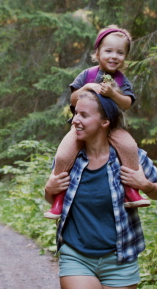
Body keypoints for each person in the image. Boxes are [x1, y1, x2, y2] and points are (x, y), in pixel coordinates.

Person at [44, 90, 157, 288]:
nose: (75, 120)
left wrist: (146, 185)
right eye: (75, 114)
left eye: (84, 115)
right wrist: (49, 190)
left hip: (121, 258)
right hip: (76, 256)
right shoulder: (69, 160)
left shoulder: (131, 157)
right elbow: (55, 201)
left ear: (104, 122)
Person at [44, 25, 148, 220]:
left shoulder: (121, 80)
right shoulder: (88, 75)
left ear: (125, 57)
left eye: (120, 52)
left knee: (129, 147)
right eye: (108, 51)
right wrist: (88, 87)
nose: (114, 56)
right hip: (81, 128)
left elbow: (127, 103)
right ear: (97, 53)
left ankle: (131, 191)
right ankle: (58, 198)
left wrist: (113, 93)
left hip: (113, 128)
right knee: (63, 155)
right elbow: (73, 98)